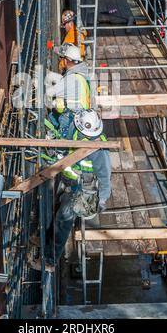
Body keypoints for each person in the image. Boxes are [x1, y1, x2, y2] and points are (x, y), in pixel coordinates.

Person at [28, 109, 112, 272]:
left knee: (63, 221)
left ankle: (50, 261)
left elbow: (104, 175)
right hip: (67, 178)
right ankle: (46, 241)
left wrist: (102, 199)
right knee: (56, 211)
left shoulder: (99, 150)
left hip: (81, 189)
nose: (87, 138)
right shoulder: (75, 125)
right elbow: (63, 127)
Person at [45, 43, 90, 137]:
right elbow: (64, 83)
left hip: (71, 118)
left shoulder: (71, 79)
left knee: (63, 145)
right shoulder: (81, 75)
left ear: (66, 61)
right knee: (52, 116)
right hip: (81, 115)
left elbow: (50, 92)